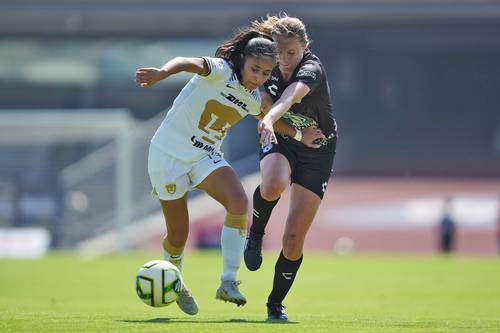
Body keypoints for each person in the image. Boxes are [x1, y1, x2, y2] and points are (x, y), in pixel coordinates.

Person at [135, 26, 324, 316]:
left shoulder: (251, 98)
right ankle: (176, 282)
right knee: (177, 236)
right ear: (241, 61)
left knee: (239, 201)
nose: (258, 78)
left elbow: (268, 118)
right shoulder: (221, 70)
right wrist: (162, 72)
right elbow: (186, 62)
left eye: (264, 73)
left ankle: (228, 281)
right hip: (167, 155)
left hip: (204, 156)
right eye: (254, 70)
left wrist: (300, 136)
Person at [245, 14, 337, 321]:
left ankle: (275, 304)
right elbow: (264, 103)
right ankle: (255, 234)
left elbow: (290, 96)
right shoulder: (265, 64)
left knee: (294, 239)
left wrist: (269, 118)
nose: (284, 60)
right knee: (272, 184)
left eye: (291, 53)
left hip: (318, 150)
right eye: (279, 52)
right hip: (285, 137)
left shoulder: (312, 69)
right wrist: (274, 121)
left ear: (305, 47)